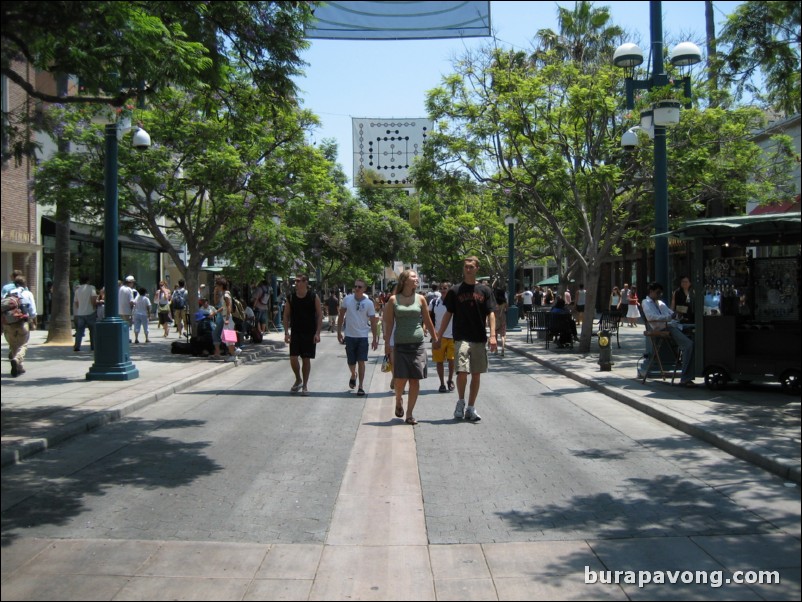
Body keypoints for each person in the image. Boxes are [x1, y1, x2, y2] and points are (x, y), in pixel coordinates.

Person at [434, 256, 497, 422]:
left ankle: (471, 407)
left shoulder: (485, 291)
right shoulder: (455, 291)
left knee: (476, 374)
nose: (467, 269)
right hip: (461, 337)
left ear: (477, 268)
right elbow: (448, 314)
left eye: (471, 267)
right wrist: (438, 336)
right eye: (466, 267)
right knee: (462, 370)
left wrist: (493, 336)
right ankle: (460, 401)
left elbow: (491, 312)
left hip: (479, 337)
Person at [384, 269, 438, 425]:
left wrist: (435, 339)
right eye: (413, 277)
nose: (417, 279)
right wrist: (387, 344)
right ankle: (398, 399)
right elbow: (389, 324)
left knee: (415, 380)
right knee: (400, 380)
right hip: (400, 345)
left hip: (418, 345)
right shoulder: (393, 300)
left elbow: (428, 321)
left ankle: (409, 414)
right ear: (405, 280)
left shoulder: (421, 299)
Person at [642, 282, 696, 387]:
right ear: (651, 291)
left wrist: (677, 315)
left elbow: (671, 313)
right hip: (664, 327)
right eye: (657, 293)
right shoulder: (646, 302)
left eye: (660, 293)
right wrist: (669, 318)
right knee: (688, 345)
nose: (659, 295)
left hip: (672, 324)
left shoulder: (660, 303)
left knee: (695, 328)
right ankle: (686, 378)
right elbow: (651, 317)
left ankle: (690, 373)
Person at [337, 279, 379, 396]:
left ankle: (361, 386)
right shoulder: (347, 300)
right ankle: (353, 374)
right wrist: (339, 331)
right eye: (355, 286)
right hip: (350, 335)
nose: (357, 288)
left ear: (364, 289)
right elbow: (341, 315)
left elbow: (373, 321)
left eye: (360, 287)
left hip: (362, 336)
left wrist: (375, 339)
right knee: (351, 361)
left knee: (361, 361)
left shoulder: (369, 303)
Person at [283, 274, 322, 395]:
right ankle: (298, 379)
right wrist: (286, 333)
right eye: (295, 281)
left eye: (299, 281)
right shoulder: (291, 297)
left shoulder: (313, 296)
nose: (296, 283)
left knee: (306, 359)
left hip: (309, 332)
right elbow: (286, 315)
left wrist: (317, 333)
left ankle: (305, 385)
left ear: (306, 282)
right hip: (295, 332)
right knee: (293, 358)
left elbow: (320, 315)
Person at [3, 276, 37, 377]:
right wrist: (33, 320)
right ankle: (16, 359)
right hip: (22, 323)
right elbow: (33, 311)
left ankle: (19, 367)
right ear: (25, 284)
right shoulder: (27, 293)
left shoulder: (8, 293)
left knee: (13, 345)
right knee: (23, 345)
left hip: (9, 324)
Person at [429, 281, 455, 392]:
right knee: (439, 361)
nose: (443, 290)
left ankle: (450, 380)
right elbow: (429, 318)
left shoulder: (455, 303)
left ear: (450, 289)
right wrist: (430, 332)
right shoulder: (434, 303)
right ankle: (442, 383)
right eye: (441, 288)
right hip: (438, 336)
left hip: (453, 336)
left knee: (451, 360)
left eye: (445, 288)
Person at [209, 276, 239, 363]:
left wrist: (227, 318)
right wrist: (215, 312)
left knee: (228, 338)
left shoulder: (225, 295)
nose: (216, 287)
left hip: (227, 318)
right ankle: (234, 352)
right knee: (228, 337)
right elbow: (224, 307)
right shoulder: (226, 294)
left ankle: (233, 353)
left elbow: (228, 307)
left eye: (217, 285)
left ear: (221, 285)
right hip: (226, 317)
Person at [73, 275, 98, 352]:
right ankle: (93, 346)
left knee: (79, 331)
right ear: (88, 281)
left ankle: (77, 346)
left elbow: (76, 302)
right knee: (92, 331)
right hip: (90, 312)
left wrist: (80, 308)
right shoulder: (91, 288)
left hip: (80, 313)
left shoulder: (78, 290)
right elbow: (93, 298)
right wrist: (94, 307)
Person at [493, 286, 508, 357]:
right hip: (502, 318)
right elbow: (506, 309)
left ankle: (496, 350)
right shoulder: (504, 302)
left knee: (495, 334)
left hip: (495, 319)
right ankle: (503, 349)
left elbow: (491, 310)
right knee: (503, 334)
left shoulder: (493, 301)